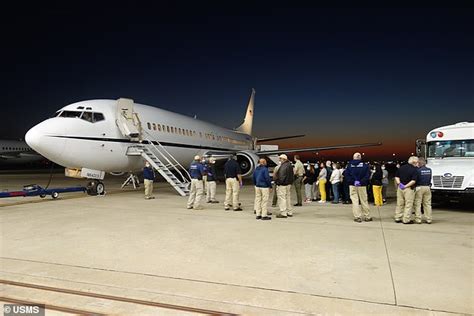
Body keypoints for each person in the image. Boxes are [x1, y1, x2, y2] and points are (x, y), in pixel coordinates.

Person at [345, 152, 372, 222]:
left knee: (355, 201)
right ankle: (367, 216)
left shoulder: (349, 165)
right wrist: (361, 182)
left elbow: (346, 175)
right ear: (360, 157)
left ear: (353, 157)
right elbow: (367, 175)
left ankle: (357, 217)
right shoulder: (365, 165)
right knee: (364, 201)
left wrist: (353, 181)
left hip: (353, 185)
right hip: (362, 185)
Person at [394, 156, 419, 224]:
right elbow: (413, 181)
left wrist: (400, 184)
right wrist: (406, 186)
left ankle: (397, 217)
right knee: (408, 204)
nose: (418, 164)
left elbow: (396, 176)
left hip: (400, 188)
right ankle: (406, 219)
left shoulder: (401, 167)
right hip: (408, 189)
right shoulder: (414, 170)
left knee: (399, 203)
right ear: (414, 162)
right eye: (417, 162)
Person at [414, 158, 433, 224]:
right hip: (427, 187)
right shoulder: (429, 170)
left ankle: (418, 219)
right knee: (427, 204)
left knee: (418, 203)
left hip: (419, 187)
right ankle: (429, 219)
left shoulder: (418, 170)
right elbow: (430, 178)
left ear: (419, 163)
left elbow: (415, 180)